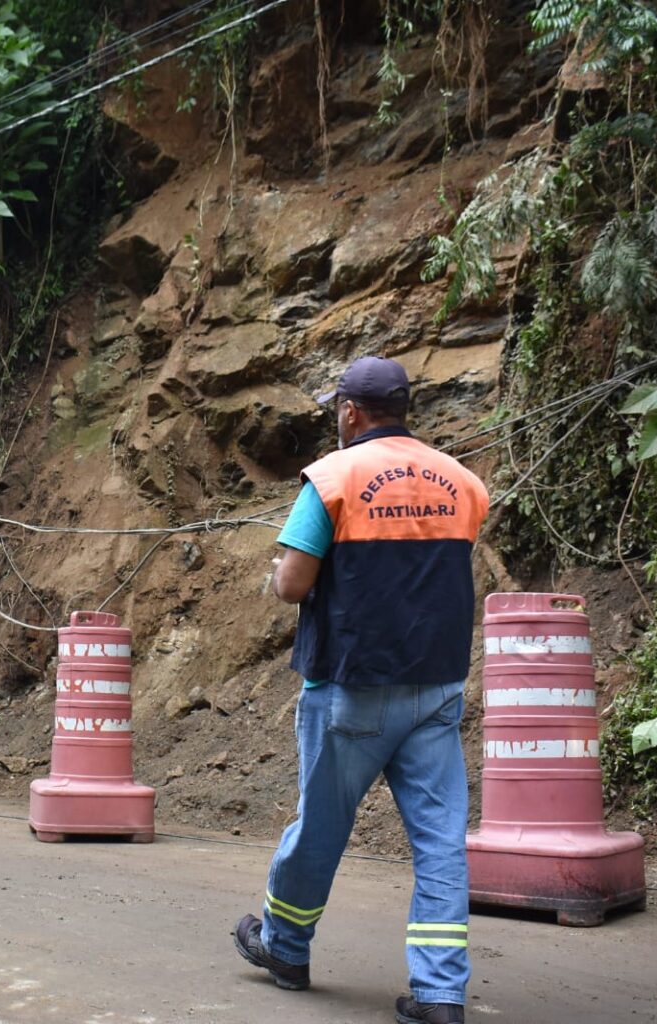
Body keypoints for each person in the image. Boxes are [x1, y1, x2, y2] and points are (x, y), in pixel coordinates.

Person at [232, 356, 489, 1024]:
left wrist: (278, 573)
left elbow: (292, 583)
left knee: (319, 828)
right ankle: (440, 993)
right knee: (439, 842)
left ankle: (285, 947)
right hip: (434, 689)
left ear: (350, 412)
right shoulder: (462, 482)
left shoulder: (332, 476)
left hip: (353, 689)